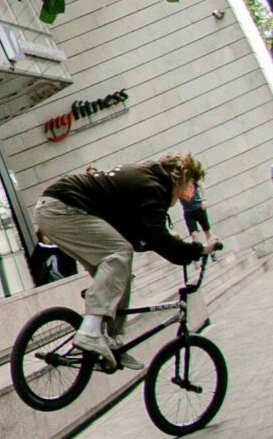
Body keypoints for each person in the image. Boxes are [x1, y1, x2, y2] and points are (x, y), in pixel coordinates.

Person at [31, 154, 211, 363]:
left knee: (120, 269)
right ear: (180, 180)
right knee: (120, 253)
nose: (181, 198)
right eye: (186, 190)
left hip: (54, 209)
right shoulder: (152, 186)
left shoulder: (144, 179)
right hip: (62, 209)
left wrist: (168, 243)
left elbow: (138, 237)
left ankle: (110, 338)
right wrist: (199, 250)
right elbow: (160, 240)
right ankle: (90, 330)